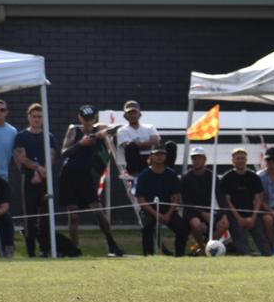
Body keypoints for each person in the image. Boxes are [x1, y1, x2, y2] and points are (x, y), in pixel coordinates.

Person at [59, 105, 124, 257]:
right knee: (73, 215)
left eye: (91, 119)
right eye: (85, 119)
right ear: (80, 118)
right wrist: (81, 144)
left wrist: (104, 133)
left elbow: (118, 127)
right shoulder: (74, 130)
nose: (88, 122)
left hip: (86, 177)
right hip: (69, 175)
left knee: (98, 211)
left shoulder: (99, 128)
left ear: (94, 118)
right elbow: (64, 152)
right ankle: (75, 248)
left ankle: (111, 243)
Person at [13, 103, 57, 257]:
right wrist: (38, 169)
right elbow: (21, 157)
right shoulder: (21, 136)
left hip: (45, 179)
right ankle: (31, 251)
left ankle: (45, 249)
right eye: (34, 116)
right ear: (29, 117)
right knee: (30, 216)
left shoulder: (49, 136)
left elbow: (51, 156)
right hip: (29, 179)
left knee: (45, 216)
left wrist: (43, 172)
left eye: (40, 117)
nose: (37, 119)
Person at [133, 144, 189, 256]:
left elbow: (176, 198)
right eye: (156, 154)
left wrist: (168, 214)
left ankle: (179, 255)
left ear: (166, 156)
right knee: (147, 227)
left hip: (168, 210)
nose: (159, 157)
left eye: (162, 154)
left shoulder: (171, 174)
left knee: (182, 227)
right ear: (151, 156)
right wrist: (156, 214)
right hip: (149, 210)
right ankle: (148, 255)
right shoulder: (143, 176)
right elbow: (141, 200)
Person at [217, 147, 271, 256]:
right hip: (235, 216)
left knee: (261, 239)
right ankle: (246, 257)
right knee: (241, 241)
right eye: (237, 158)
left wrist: (253, 217)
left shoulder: (254, 177)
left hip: (252, 215)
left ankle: (269, 256)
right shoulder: (227, 178)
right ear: (233, 161)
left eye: (242, 158)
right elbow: (227, 201)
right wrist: (239, 218)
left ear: (246, 160)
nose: (240, 161)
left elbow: (258, 198)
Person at [179, 146, 227, 252]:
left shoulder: (212, 176)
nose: (196, 161)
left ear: (204, 159)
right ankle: (201, 247)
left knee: (224, 224)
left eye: (199, 158)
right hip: (192, 212)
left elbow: (220, 197)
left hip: (210, 211)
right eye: (194, 158)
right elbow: (187, 202)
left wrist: (224, 214)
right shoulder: (185, 178)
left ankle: (207, 248)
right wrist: (202, 213)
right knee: (196, 225)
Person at [117, 100, 174, 176]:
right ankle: (135, 174)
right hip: (137, 163)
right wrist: (148, 143)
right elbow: (127, 146)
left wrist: (138, 144)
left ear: (139, 114)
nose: (132, 115)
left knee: (170, 145)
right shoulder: (122, 130)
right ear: (125, 116)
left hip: (153, 159)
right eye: (130, 113)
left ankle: (169, 172)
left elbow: (156, 141)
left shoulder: (149, 127)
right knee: (131, 146)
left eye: (134, 112)